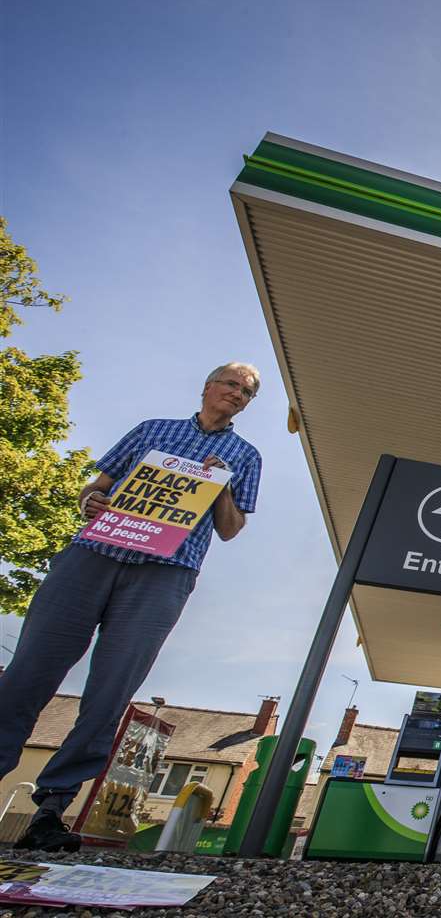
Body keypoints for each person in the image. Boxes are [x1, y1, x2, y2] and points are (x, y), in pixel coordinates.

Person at [0, 363, 263, 852]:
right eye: (231, 384)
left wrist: (221, 485)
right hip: (94, 557)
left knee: (111, 690)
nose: (238, 395)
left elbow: (230, 528)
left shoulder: (245, 455)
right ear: (207, 386)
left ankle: (52, 809)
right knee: (28, 673)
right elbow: (95, 488)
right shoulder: (152, 431)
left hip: (165, 574)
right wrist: (91, 504)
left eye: (247, 393)